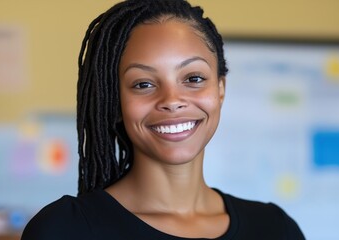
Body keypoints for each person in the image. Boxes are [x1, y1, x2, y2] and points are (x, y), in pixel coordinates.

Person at [21, 0, 305, 239]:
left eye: (193, 78)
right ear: (115, 101)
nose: (171, 100)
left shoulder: (275, 229)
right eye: (143, 84)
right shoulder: (65, 230)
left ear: (220, 89)